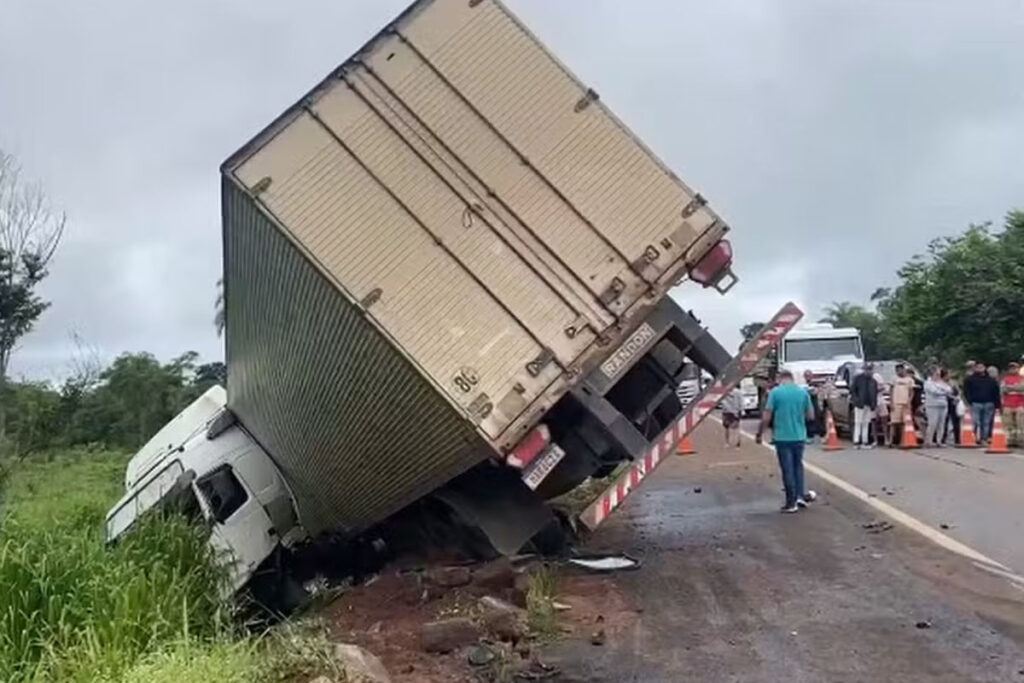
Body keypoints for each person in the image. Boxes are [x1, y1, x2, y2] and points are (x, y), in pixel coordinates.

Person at [755, 370, 817, 513]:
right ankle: (800, 496)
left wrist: (759, 433)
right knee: (798, 467)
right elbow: (811, 415)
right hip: (799, 436)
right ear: (792, 378)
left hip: (782, 437)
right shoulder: (802, 393)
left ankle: (791, 502)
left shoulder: (775, 393)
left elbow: (767, 416)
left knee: (787, 469)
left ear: (780, 378)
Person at [964, 362, 999, 444]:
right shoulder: (970, 379)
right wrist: (969, 400)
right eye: (978, 367)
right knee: (975, 421)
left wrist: (997, 404)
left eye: (982, 367)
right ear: (975, 368)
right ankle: (973, 437)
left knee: (986, 422)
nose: (980, 368)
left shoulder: (991, 380)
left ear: (985, 368)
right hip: (976, 403)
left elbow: (996, 392)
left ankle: (984, 438)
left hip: (989, 403)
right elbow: (966, 391)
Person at [923, 366, 953, 447]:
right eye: (936, 373)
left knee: (941, 424)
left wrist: (944, 391)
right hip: (932, 405)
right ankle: (929, 441)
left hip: (943, 405)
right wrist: (944, 392)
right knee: (932, 423)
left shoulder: (941, 383)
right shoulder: (928, 383)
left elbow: (949, 390)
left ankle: (939, 441)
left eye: (939, 374)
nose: (938, 375)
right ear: (932, 374)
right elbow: (934, 392)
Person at [850, 363, 878, 449]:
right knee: (858, 422)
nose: (869, 371)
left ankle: (864, 441)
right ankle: (856, 441)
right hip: (860, 404)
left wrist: (874, 404)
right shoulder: (858, 379)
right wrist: (856, 400)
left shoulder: (873, 381)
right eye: (867, 369)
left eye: (870, 369)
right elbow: (853, 390)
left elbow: (875, 393)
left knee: (866, 423)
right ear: (864, 370)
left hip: (869, 404)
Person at [889, 364, 915, 447]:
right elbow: (891, 391)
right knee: (894, 423)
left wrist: (909, 402)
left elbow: (911, 392)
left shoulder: (909, 380)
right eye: (898, 370)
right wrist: (891, 402)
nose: (899, 372)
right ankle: (890, 441)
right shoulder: (894, 379)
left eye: (901, 370)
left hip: (905, 403)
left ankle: (902, 441)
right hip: (896, 403)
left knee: (903, 424)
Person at [1002, 362, 1024, 447]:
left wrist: (1011, 388)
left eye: (1014, 368)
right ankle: (1010, 440)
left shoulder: (1022, 378)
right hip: (1008, 404)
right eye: (1011, 368)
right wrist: (1017, 388)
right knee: (1008, 424)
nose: (1012, 369)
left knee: (1021, 423)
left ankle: (1021, 441)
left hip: (1020, 404)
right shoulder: (1005, 379)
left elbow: (1022, 387)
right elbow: (1003, 389)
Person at [803, 370, 823, 444]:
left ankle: (814, 434)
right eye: (806, 376)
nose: (808, 377)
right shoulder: (803, 385)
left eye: (809, 375)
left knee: (814, 418)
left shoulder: (814, 384)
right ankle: (808, 435)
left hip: (813, 404)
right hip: (805, 404)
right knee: (806, 419)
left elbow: (816, 392)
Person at [941, 368, 961, 445]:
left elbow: (957, 391)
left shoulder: (952, 383)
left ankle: (957, 439)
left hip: (953, 403)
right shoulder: (940, 383)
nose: (949, 376)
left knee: (955, 421)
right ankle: (943, 438)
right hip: (945, 402)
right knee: (944, 421)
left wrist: (957, 397)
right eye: (947, 375)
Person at [873, 367, 889, 447]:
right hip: (872, 401)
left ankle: (886, 439)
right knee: (874, 421)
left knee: (884, 420)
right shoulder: (866, 378)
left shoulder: (877, 376)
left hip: (881, 399)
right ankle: (875, 440)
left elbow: (883, 387)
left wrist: (878, 389)